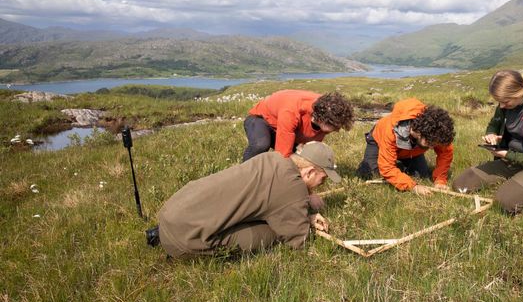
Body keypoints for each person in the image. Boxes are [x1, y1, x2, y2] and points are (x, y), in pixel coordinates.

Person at [150, 142, 339, 258]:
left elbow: (269, 200)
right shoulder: (292, 187)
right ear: (309, 171)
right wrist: (308, 222)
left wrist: (303, 211)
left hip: (173, 213)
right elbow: (298, 241)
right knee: (271, 233)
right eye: (323, 179)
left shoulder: (272, 159)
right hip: (184, 240)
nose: (321, 184)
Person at [453, 70, 523, 213]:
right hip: (510, 161)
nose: (502, 106)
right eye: (499, 102)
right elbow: (494, 124)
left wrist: (507, 154)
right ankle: (515, 179)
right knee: (461, 185)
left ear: (519, 93)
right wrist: (491, 134)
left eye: (505, 101)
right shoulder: (505, 106)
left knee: (504, 202)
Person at [357, 98, 455, 196]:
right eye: (431, 144)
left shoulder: (437, 131)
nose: (432, 147)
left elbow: (445, 153)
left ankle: (398, 168)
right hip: (378, 141)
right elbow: (387, 168)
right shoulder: (391, 130)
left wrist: (440, 181)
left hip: (411, 151)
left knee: (421, 175)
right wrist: (413, 186)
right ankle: (387, 165)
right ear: (419, 133)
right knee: (371, 173)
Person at [243, 90, 354, 161]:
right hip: (261, 120)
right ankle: (245, 175)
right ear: (323, 119)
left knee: (305, 157)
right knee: (261, 144)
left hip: (286, 127)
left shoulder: (329, 108)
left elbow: (310, 146)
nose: (338, 130)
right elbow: (282, 156)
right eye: (335, 126)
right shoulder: (291, 111)